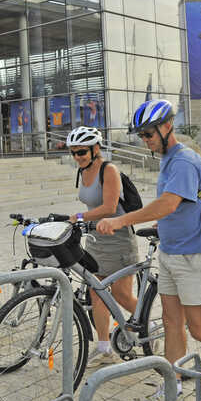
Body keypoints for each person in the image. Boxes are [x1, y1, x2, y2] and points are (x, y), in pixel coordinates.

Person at [97, 99, 201, 401]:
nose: (145, 140)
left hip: (194, 256)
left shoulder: (183, 161)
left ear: (167, 126)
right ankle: (173, 389)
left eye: (148, 134)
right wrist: (164, 224)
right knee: (171, 323)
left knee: (200, 328)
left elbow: (168, 204)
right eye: (141, 136)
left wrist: (120, 220)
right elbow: (178, 207)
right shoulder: (168, 159)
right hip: (170, 253)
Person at [65, 126, 140, 368]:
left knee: (121, 294)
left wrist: (79, 216)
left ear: (95, 149)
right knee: (96, 293)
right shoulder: (82, 172)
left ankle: (147, 324)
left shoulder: (109, 170)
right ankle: (104, 348)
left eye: (82, 152)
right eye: (74, 153)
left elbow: (109, 207)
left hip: (118, 238)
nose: (77, 157)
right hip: (96, 240)